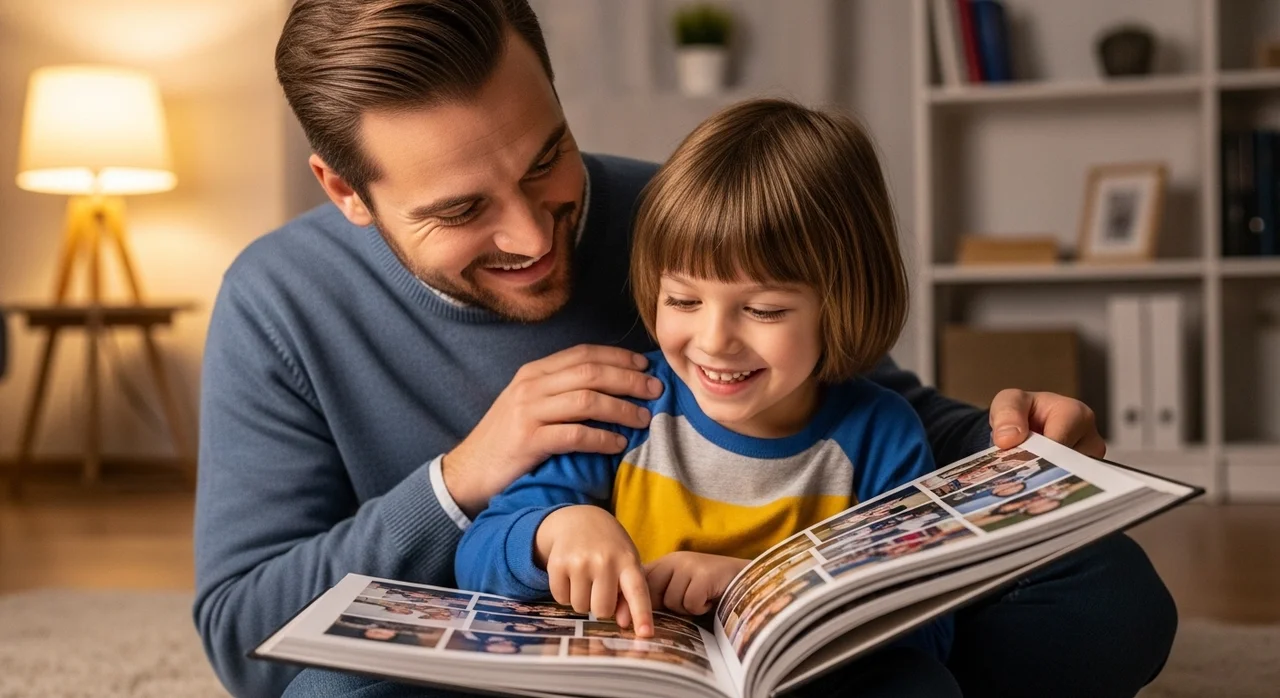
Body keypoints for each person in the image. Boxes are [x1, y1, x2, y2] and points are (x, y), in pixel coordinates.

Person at [192, 1, 1174, 697]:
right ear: (344, 189)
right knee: (328, 689)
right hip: (518, 654)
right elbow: (246, 635)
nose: (536, 238)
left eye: (546, 159)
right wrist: (461, 478)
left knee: (1107, 595)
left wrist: (1016, 445)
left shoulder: (672, 217)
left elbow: (866, 404)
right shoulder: (278, 303)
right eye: (460, 210)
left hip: (772, 631)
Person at [456, 97, 952, 662]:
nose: (714, 340)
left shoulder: (881, 436)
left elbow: (926, 631)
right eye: (683, 300)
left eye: (764, 310)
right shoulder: (627, 406)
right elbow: (477, 557)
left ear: (841, 305)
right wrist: (557, 532)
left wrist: (760, 588)